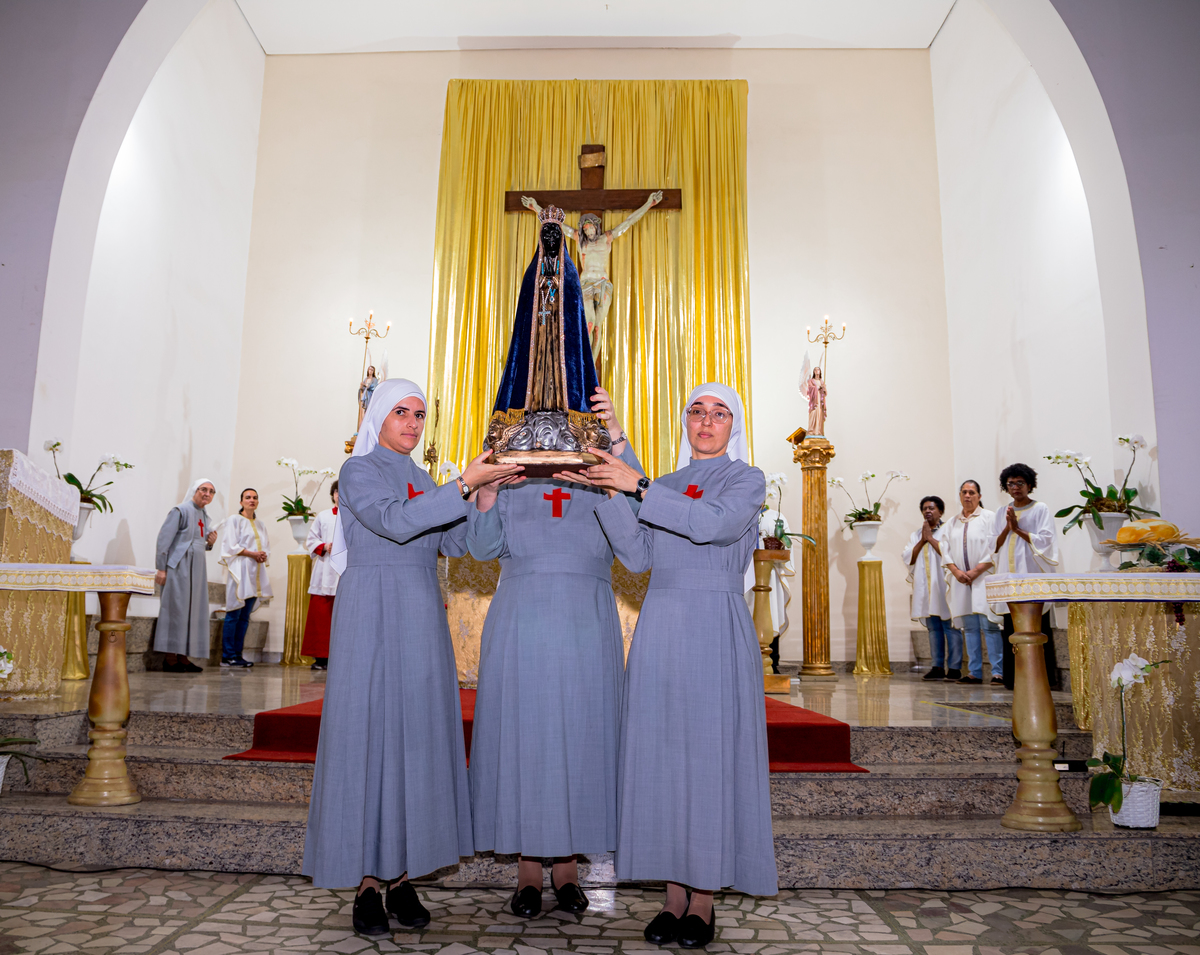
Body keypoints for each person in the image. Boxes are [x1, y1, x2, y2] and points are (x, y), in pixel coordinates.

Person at [302, 377, 521, 939]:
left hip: (422, 615)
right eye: (401, 411)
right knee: (372, 741)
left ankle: (401, 878)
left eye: (420, 414)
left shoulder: (422, 477)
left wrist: (485, 497)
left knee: (414, 740)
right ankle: (367, 887)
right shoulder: (360, 469)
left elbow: (458, 544)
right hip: (372, 613)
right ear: (377, 415)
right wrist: (463, 482)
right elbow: (398, 522)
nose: (412, 422)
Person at [579, 382, 777, 950]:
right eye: (696, 411)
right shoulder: (663, 483)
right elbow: (639, 557)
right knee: (663, 758)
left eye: (718, 413)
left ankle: (705, 899)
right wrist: (607, 490)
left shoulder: (747, 479)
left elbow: (711, 524)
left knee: (710, 760)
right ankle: (672, 898)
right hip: (661, 623)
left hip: (715, 623)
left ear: (732, 425)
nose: (706, 421)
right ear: (684, 421)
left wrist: (633, 482)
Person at [466, 385, 641, 919]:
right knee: (526, 738)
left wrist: (615, 433)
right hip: (522, 618)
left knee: (579, 738)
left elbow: (635, 520)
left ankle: (567, 873)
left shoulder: (598, 466)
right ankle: (526, 874)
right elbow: (480, 548)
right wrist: (489, 490)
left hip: (586, 620)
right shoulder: (511, 468)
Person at [989, 463, 1061, 690]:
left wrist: (1018, 529)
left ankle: (1043, 679)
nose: (1015, 487)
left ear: (1029, 484)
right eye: (1011, 483)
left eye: (1020, 482)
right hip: (1009, 580)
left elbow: (1047, 541)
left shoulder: (1040, 509)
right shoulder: (1002, 512)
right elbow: (993, 545)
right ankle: (1013, 679)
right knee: (1011, 628)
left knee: (1037, 628)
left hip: (1032, 579)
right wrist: (1008, 527)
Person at [153, 478, 218, 673]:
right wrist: (161, 568)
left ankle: (183, 657)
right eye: (203, 489)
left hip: (197, 569)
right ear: (194, 490)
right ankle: (170, 657)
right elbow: (164, 540)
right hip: (178, 566)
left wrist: (210, 543)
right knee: (176, 609)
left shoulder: (205, 516)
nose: (207, 493)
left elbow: (198, 544)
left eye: (211, 491)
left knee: (192, 611)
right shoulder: (180, 510)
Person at [941, 480, 1001, 685]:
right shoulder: (952, 522)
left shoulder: (990, 517)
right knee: (970, 627)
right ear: (959, 496)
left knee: (990, 625)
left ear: (979, 496)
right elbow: (945, 549)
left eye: (972, 492)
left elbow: (995, 547)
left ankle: (998, 672)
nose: (967, 496)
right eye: (964, 492)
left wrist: (976, 571)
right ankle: (974, 671)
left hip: (983, 577)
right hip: (960, 581)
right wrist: (956, 571)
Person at [903, 495, 962, 681]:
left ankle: (954, 668)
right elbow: (908, 557)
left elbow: (950, 554)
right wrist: (923, 539)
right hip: (926, 589)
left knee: (950, 627)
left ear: (941, 511)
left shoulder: (949, 531)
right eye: (924, 509)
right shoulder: (916, 534)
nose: (927, 511)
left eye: (932, 508)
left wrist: (931, 539)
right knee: (933, 629)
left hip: (944, 587)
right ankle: (937, 666)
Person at [218, 488, 273, 669]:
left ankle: (238, 655)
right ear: (241, 502)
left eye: (255, 498)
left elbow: (266, 546)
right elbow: (230, 545)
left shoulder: (261, 524)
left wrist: (264, 556)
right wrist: (252, 553)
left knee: (244, 617)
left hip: (255, 572)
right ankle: (227, 656)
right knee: (233, 613)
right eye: (248, 497)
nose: (252, 500)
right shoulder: (234, 520)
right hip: (240, 572)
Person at [301, 481, 339, 670]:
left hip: (345, 571)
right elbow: (311, 540)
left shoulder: (356, 517)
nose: (340, 496)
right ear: (333, 495)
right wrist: (325, 546)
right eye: (337, 492)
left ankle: (340, 657)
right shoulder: (323, 516)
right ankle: (320, 658)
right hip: (325, 570)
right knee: (321, 616)